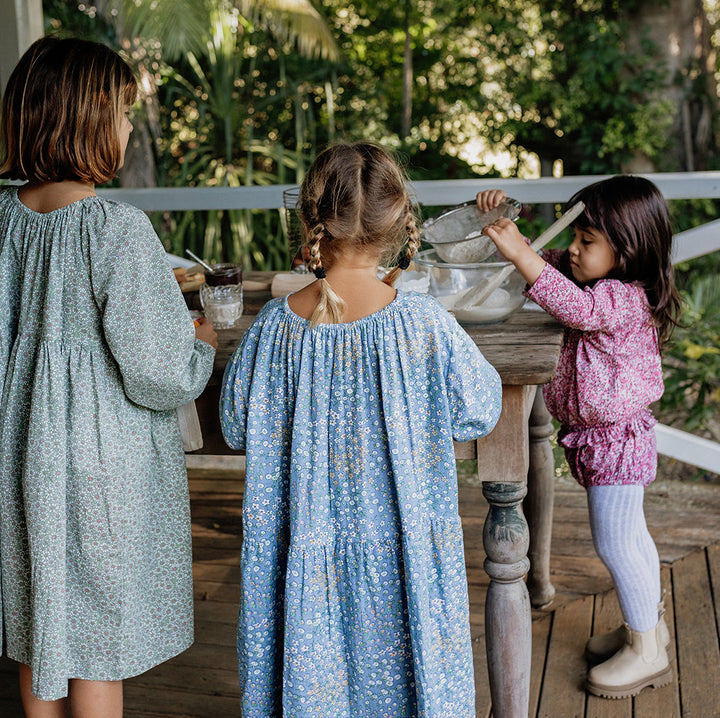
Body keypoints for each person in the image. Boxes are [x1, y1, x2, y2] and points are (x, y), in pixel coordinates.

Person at [220, 141, 502, 717]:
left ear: (312, 218)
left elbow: (235, 424)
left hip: (302, 545)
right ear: (399, 223)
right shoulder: (422, 322)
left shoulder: (275, 326)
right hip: (405, 555)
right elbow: (480, 408)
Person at [0, 36, 218, 716]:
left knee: (42, 614)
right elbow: (154, 369)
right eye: (124, 111)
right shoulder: (114, 228)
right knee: (97, 632)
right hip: (99, 462)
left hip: (20, 446)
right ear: (90, 115)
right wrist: (199, 345)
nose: (127, 126)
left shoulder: (4, 218)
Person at [476, 176, 681, 700]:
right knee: (631, 538)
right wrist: (506, 230)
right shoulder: (603, 290)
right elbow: (561, 293)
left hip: (615, 441)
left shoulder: (624, 299)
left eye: (587, 241)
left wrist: (523, 251)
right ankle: (646, 626)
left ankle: (647, 652)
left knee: (617, 542)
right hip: (605, 438)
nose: (572, 248)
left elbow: (578, 308)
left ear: (628, 249)